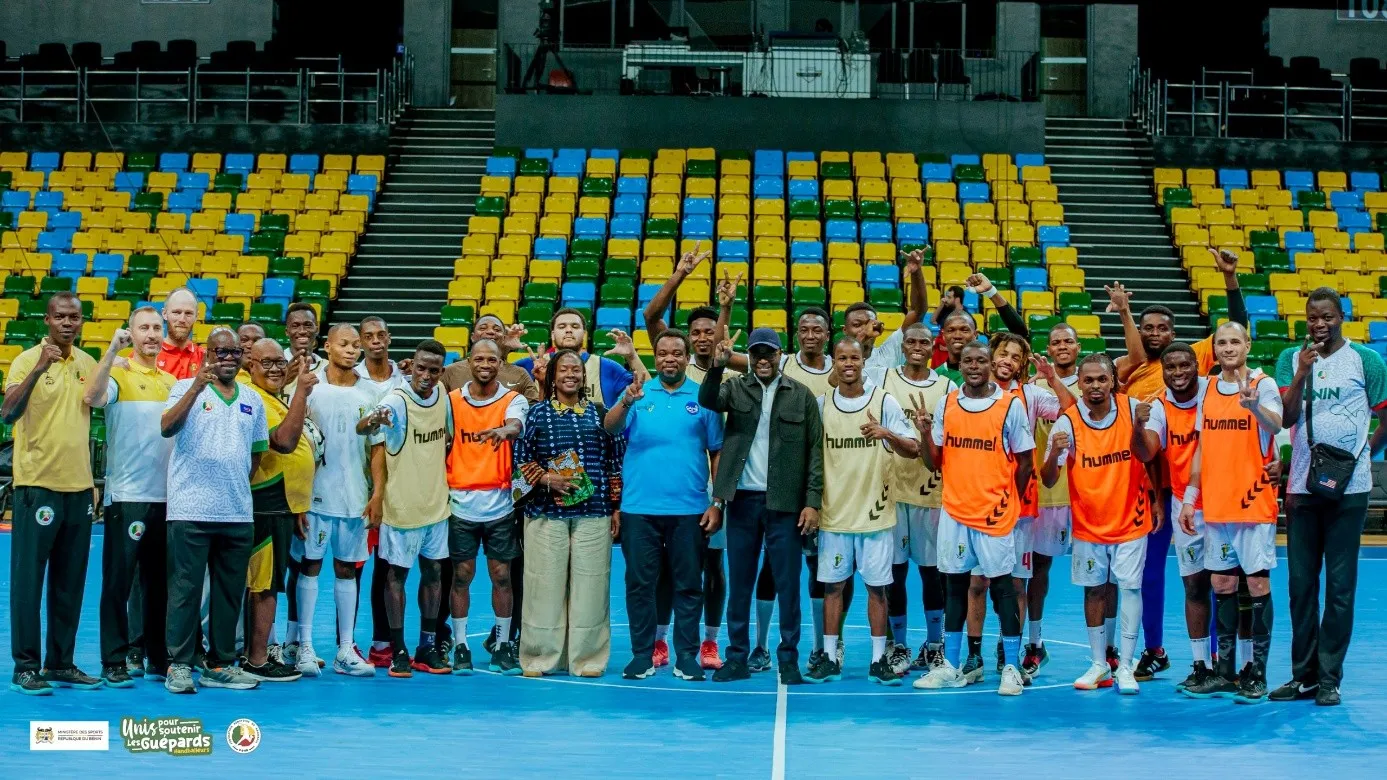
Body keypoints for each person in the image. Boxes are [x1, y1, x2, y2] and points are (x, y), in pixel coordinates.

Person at [1271, 288, 1387, 706]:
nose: (1319, 324)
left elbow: (1385, 417)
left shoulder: (1366, 360)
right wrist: (1302, 372)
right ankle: (1303, 676)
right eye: (1312, 318)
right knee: (1300, 586)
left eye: (1327, 317)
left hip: (1349, 491)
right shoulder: (1291, 358)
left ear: (1342, 317)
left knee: (1340, 588)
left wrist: (1361, 457)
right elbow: (1284, 417)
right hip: (1302, 488)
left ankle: (1329, 678)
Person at [700, 327, 824, 685]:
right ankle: (737, 657)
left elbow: (815, 452)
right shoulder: (735, 387)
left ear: (780, 355)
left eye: (769, 353)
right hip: (741, 500)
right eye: (756, 353)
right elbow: (708, 399)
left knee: (788, 584)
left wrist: (812, 502)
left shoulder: (801, 395)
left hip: (785, 503)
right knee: (740, 583)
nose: (763, 360)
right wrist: (717, 366)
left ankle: (788, 659)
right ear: (750, 357)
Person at [913, 340, 1031, 696]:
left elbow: (1025, 461)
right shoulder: (948, 403)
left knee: (1003, 587)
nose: (975, 366)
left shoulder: (1010, 405)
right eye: (968, 361)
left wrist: (1011, 502)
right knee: (954, 586)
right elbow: (934, 462)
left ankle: (1011, 668)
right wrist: (923, 433)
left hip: (994, 513)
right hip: (955, 511)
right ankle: (951, 665)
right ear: (959, 365)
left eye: (981, 360)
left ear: (991, 364)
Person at [606, 329, 724, 682]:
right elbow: (611, 428)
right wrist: (626, 401)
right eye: (662, 353)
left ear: (687, 358)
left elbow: (716, 451)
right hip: (639, 508)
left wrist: (717, 502)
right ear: (654, 358)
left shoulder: (704, 397)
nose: (669, 359)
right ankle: (642, 655)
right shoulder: (638, 392)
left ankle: (686, 656)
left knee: (689, 585)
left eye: (676, 353)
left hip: (690, 509)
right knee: (639, 584)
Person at [1041, 354, 1162, 695]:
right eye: (1088, 380)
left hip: (1130, 519)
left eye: (1102, 379)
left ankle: (1125, 665)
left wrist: (1138, 428)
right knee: (1093, 590)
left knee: (1130, 589)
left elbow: (1148, 456)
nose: (1095, 386)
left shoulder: (1133, 408)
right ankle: (1099, 663)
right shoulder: (1067, 422)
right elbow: (1048, 479)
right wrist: (1054, 453)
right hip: (1089, 523)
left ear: (1113, 381)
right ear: (1079, 383)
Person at [1176, 323, 1282, 703]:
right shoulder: (1207, 389)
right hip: (1217, 506)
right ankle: (1224, 673)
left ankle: (1257, 672)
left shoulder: (1263, 383)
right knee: (1221, 585)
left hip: (1253, 504)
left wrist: (1253, 406)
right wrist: (1190, 498)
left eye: (1235, 341)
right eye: (1221, 342)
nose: (1228, 347)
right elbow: (1202, 447)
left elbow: (1276, 424)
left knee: (1257, 586)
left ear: (1248, 345)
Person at [160, 328, 269, 694]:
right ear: (207, 354)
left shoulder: (253, 399)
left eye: (234, 352)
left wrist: (231, 484)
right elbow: (167, 427)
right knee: (185, 590)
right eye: (220, 351)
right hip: (190, 509)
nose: (228, 358)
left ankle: (220, 664)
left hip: (237, 512)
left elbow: (256, 454)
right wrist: (196, 388)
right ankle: (179, 664)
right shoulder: (183, 387)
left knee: (228, 593)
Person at [3, 292, 102, 695]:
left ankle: (60, 662)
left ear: (81, 321)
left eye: (74, 317)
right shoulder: (25, 360)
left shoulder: (88, 363)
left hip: (78, 488)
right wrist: (40, 367)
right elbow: (8, 412)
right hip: (36, 486)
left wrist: (92, 485)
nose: (67, 323)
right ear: (47, 320)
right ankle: (25, 667)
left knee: (69, 583)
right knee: (28, 582)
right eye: (60, 316)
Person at [640, 259, 734, 670]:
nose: (702, 337)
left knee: (713, 566)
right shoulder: (676, 364)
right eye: (695, 332)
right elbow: (651, 317)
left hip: (716, 482)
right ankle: (660, 640)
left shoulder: (731, 366)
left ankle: (709, 642)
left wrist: (725, 307)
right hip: (678, 486)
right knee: (666, 566)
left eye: (709, 331)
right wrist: (679, 274)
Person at [809, 337, 919, 685]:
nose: (848, 364)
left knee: (877, 589)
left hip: (875, 515)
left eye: (854, 358)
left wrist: (887, 434)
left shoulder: (884, 401)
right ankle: (829, 658)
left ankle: (878, 660)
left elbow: (914, 448)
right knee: (832, 588)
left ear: (862, 361)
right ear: (834, 362)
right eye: (842, 358)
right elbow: (810, 457)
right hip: (834, 516)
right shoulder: (822, 404)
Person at [513, 350, 625, 677]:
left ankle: (587, 659)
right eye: (563, 369)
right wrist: (547, 479)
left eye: (576, 369)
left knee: (592, 587)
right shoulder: (535, 414)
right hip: (544, 512)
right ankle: (540, 657)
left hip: (595, 511)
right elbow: (519, 460)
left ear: (584, 376)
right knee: (543, 586)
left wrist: (616, 507)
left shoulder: (601, 414)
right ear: (552, 376)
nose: (570, 375)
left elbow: (614, 463)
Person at [967, 331, 1071, 682]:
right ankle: (973, 655)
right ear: (991, 355)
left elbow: (1072, 411)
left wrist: (1053, 379)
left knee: (1015, 583)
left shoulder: (1031, 394)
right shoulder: (968, 396)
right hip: (980, 501)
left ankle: (1006, 650)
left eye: (1015, 356)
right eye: (1003, 353)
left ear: (1022, 364)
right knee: (978, 581)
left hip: (1020, 504)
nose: (1007, 361)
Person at [437, 314, 540, 658]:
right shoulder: (451, 400)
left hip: (500, 503)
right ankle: (461, 645)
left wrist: (505, 430)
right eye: (479, 359)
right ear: (469, 361)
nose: (485, 365)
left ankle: (503, 643)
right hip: (459, 502)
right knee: (461, 576)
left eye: (491, 360)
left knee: (502, 576)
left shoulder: (513, 399)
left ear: (500, 363)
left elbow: (516, 425)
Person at [87, 307, 177, 687]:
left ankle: (157, 656)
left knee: (158, 584)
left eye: (157, 328)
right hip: (127, 496)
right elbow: (92, 397)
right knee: (118, 583)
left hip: (167, 497)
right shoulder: (118, 374)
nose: (151, 334)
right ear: (131, 333)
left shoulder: (172, 382)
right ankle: (113, 660)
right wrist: (111, 352)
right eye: (144, 328)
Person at [361, 340, 453, 678]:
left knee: (434, 574)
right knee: (396, 576)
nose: (426, 375)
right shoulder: (396, 401)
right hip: (401, 508)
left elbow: (447, 440)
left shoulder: (442, 394)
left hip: (436, 506)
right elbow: (364, 427)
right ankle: (398, 649)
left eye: (433, 370)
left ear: (441, 371)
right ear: (411, 365)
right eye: (421, 368)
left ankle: (426, 646)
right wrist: (372, 420)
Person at [294, 324, 378, 678]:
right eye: (344, 344)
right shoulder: (309, 386)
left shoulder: (369, 391)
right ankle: (304, 646)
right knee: (309, 566)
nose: (351, 350)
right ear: (327, 346)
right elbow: (297, 444)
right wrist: (298, 497)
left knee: (347, 569)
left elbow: (378, 448)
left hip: (355, 497)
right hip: (315, 497)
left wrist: (377, 494)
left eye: (356, 345)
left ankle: (345, 649)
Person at [875, 322, 955, 674]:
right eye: (911, 341)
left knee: (931, 572)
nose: (918, 346)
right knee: (895, 571)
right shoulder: (884, 379)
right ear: (903, 346)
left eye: (924, 341)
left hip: (930, 491)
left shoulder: (947, 387)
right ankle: (898, 645)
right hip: (892, 490)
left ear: (933, 346)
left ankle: (935, 645)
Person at [241, 339, 318, 682]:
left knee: (267, 582)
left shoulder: (271, 396)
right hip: (267, 503)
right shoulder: (256, 396)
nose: (275, 368)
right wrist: (301, 391)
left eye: (279, 362)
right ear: (251, 365)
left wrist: (297, 505)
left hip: (282, 504)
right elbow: (284, 442)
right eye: (266, 362)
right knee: (264, 584)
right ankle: (257, 659)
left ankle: (254, 653)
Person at [1154, 342, 1215, 691]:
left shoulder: (1216, 392)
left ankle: (1236, 664)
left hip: (1223, 501)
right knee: (1194, 585)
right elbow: (1147, 449)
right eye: (1171, 367)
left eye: (1184, 365)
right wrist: (1139, 427)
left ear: (1197, 366)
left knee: (1231, 586)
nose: (1178, 373)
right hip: (1185, 505)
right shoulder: (1160, 405)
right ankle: (1201, 664)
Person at [1025, 322, 1081, 677]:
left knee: (1099, 574)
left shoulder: (1092, 382)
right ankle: (1030, 640)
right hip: (1038, 491)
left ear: (1078, 347)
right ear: (1048, 348)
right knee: (1030, 569)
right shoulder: (1032, 387)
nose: (1062, 346)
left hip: (1077, 492)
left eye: (1068, 341)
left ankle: (1107, 649)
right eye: (1056, 342)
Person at [513, 308, 639, 408]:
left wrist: (632, 357)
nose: (568, 330)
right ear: (552, 335)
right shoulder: (530, 366)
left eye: (575, 326)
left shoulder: (606, 367)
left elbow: (646, 392)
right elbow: (500, 383)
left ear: (584, 334)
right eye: (562, 326)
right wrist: (504, 348)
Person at [780, 307, 834, 399]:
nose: (810, 336)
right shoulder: (782, 363)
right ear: (797, 335)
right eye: (804, 330)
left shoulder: (837, 370)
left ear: (827, 336)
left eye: (817, 331)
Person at [157, 287, 205, 379]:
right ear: (164, 314)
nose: (182, 319)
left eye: (188, 313)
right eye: (177, 312)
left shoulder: (205, 357)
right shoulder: (147, 355)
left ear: (196, 316)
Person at [357, 316, 404, 393]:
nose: (376, 341)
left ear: (389, 338)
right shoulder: (353, 377)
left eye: (381, 335)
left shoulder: (405, 376)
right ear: (360, 342)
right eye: (368, 337)